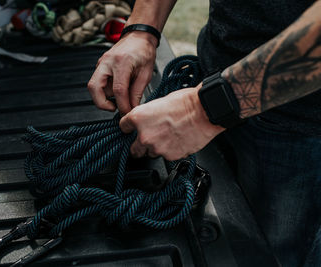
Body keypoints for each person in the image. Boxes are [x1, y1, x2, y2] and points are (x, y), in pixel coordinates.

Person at [87, 0, 321, 266]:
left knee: (280, 255)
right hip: (214, 77)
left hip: (301, 130)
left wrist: (200, 111)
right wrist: (142, 29)